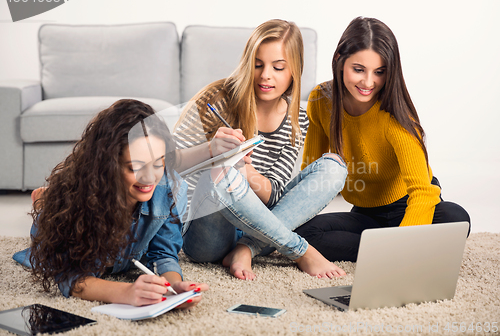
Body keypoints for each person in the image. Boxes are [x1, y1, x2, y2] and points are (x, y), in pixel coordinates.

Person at [174, 19, 348, 280]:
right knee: (222, 174)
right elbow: (166, 164)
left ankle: (247, 249)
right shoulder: (216, 99)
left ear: (294, 72)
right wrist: (211, 151)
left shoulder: (297, 119)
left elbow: (276, 196)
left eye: (278, 67)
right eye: (258, 65)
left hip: (256, 227)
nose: (266, 75)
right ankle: (300, 250)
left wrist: (246, 171)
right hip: (206, 236)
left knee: (334, 167)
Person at [295, 17, 471, 262]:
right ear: (339, 61)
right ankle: (388, 247)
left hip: (408, 204)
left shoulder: (395, 116)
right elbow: (312, 173)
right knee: (303, 233)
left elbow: (423, 192)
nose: (369, 83)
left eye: (379, 72)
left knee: (455, 217)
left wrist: (401, 244)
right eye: (359, 69)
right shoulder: (320, 101)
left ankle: (387, 249)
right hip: (366, 215)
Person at [13, 99, 208, 307]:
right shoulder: (79, 205)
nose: (150, 177)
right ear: (109, 166)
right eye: (135, 167)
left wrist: (175, 288)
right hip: (63, 215)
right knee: (46, 227)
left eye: (158, 163)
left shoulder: (168, 187)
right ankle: (44, 203)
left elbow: (164, 253)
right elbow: (70, 277)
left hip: (128, 240)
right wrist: (127, 292)